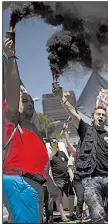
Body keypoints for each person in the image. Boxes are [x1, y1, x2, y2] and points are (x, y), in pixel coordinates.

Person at [52, 85, 108, 223]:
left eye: (103, 115)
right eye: (98, 114)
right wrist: (62, 98)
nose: (101, 116)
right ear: (92, 117)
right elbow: (73, 113)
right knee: (97, 215)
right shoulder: (85, 130)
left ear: (106, 118)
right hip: (91, 179)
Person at [3, 37, 49, 223]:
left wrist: (51, 187)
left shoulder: (33, 129)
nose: (29, 103)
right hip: (19, 181)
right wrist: (11, 56)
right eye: (24, 100)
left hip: (35, 184)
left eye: (31, 100)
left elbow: (42, 163)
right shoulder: (11, 117)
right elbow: (13, 88)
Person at [63, 122, 89, 221]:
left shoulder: (89, 153)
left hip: (88, 178)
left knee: (90, 198)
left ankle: (89, 215)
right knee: (80, 199)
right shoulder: (76, 153)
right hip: (78, 180)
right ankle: (79, 217)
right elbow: (68, 142)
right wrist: (65, 131)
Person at [48, 139, 75, 222]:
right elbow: (49, 170)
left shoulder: (62, 153)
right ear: (51, 145)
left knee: (71, 195)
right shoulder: (50, 156)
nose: (55, 143)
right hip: (57, 180)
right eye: (53, 142)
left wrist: (71, 175)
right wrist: (52, 181)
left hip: (67, 178)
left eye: (56, 142)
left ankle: (71, 214)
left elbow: (68, 164)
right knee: (58, 198)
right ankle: (63, 216)